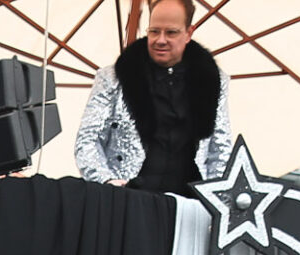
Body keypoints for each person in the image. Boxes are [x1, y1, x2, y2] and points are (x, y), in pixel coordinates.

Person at [74, 0, 233, 194]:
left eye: (171, 32)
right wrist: (106, 181)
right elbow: (87, 141)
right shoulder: (112, 78)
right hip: (128, 198)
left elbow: (220, 149)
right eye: (154, 31)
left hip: (188, 201)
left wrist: (216, 199)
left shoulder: (212, 81)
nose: (161, 40)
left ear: (189, 33)